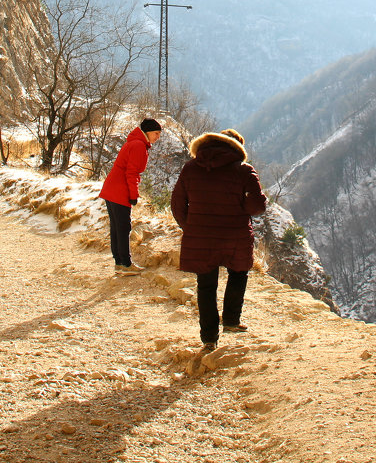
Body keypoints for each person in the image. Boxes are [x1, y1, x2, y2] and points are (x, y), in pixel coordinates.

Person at [171, 129, 267, 351]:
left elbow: (177, 204)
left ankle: (209, 338)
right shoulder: (244, 171)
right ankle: (232, 320)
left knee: (206, 286)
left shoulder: (191, 168)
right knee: (238, 274)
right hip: (235, 235)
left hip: (201, 237)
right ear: (237, 148)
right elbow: (257, 207)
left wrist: (192, 227)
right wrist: (242, 205)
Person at [98, 118, 162, 275]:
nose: (158, 137)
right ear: (147, 132)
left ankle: (119, 262)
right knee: (123, 227)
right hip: (120, 190)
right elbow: (132, 173)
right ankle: (126, 264)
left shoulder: (134, 142)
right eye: (156, 133)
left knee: (116, 227)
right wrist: (134, 195)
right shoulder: (139, 145)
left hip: (111, 188)